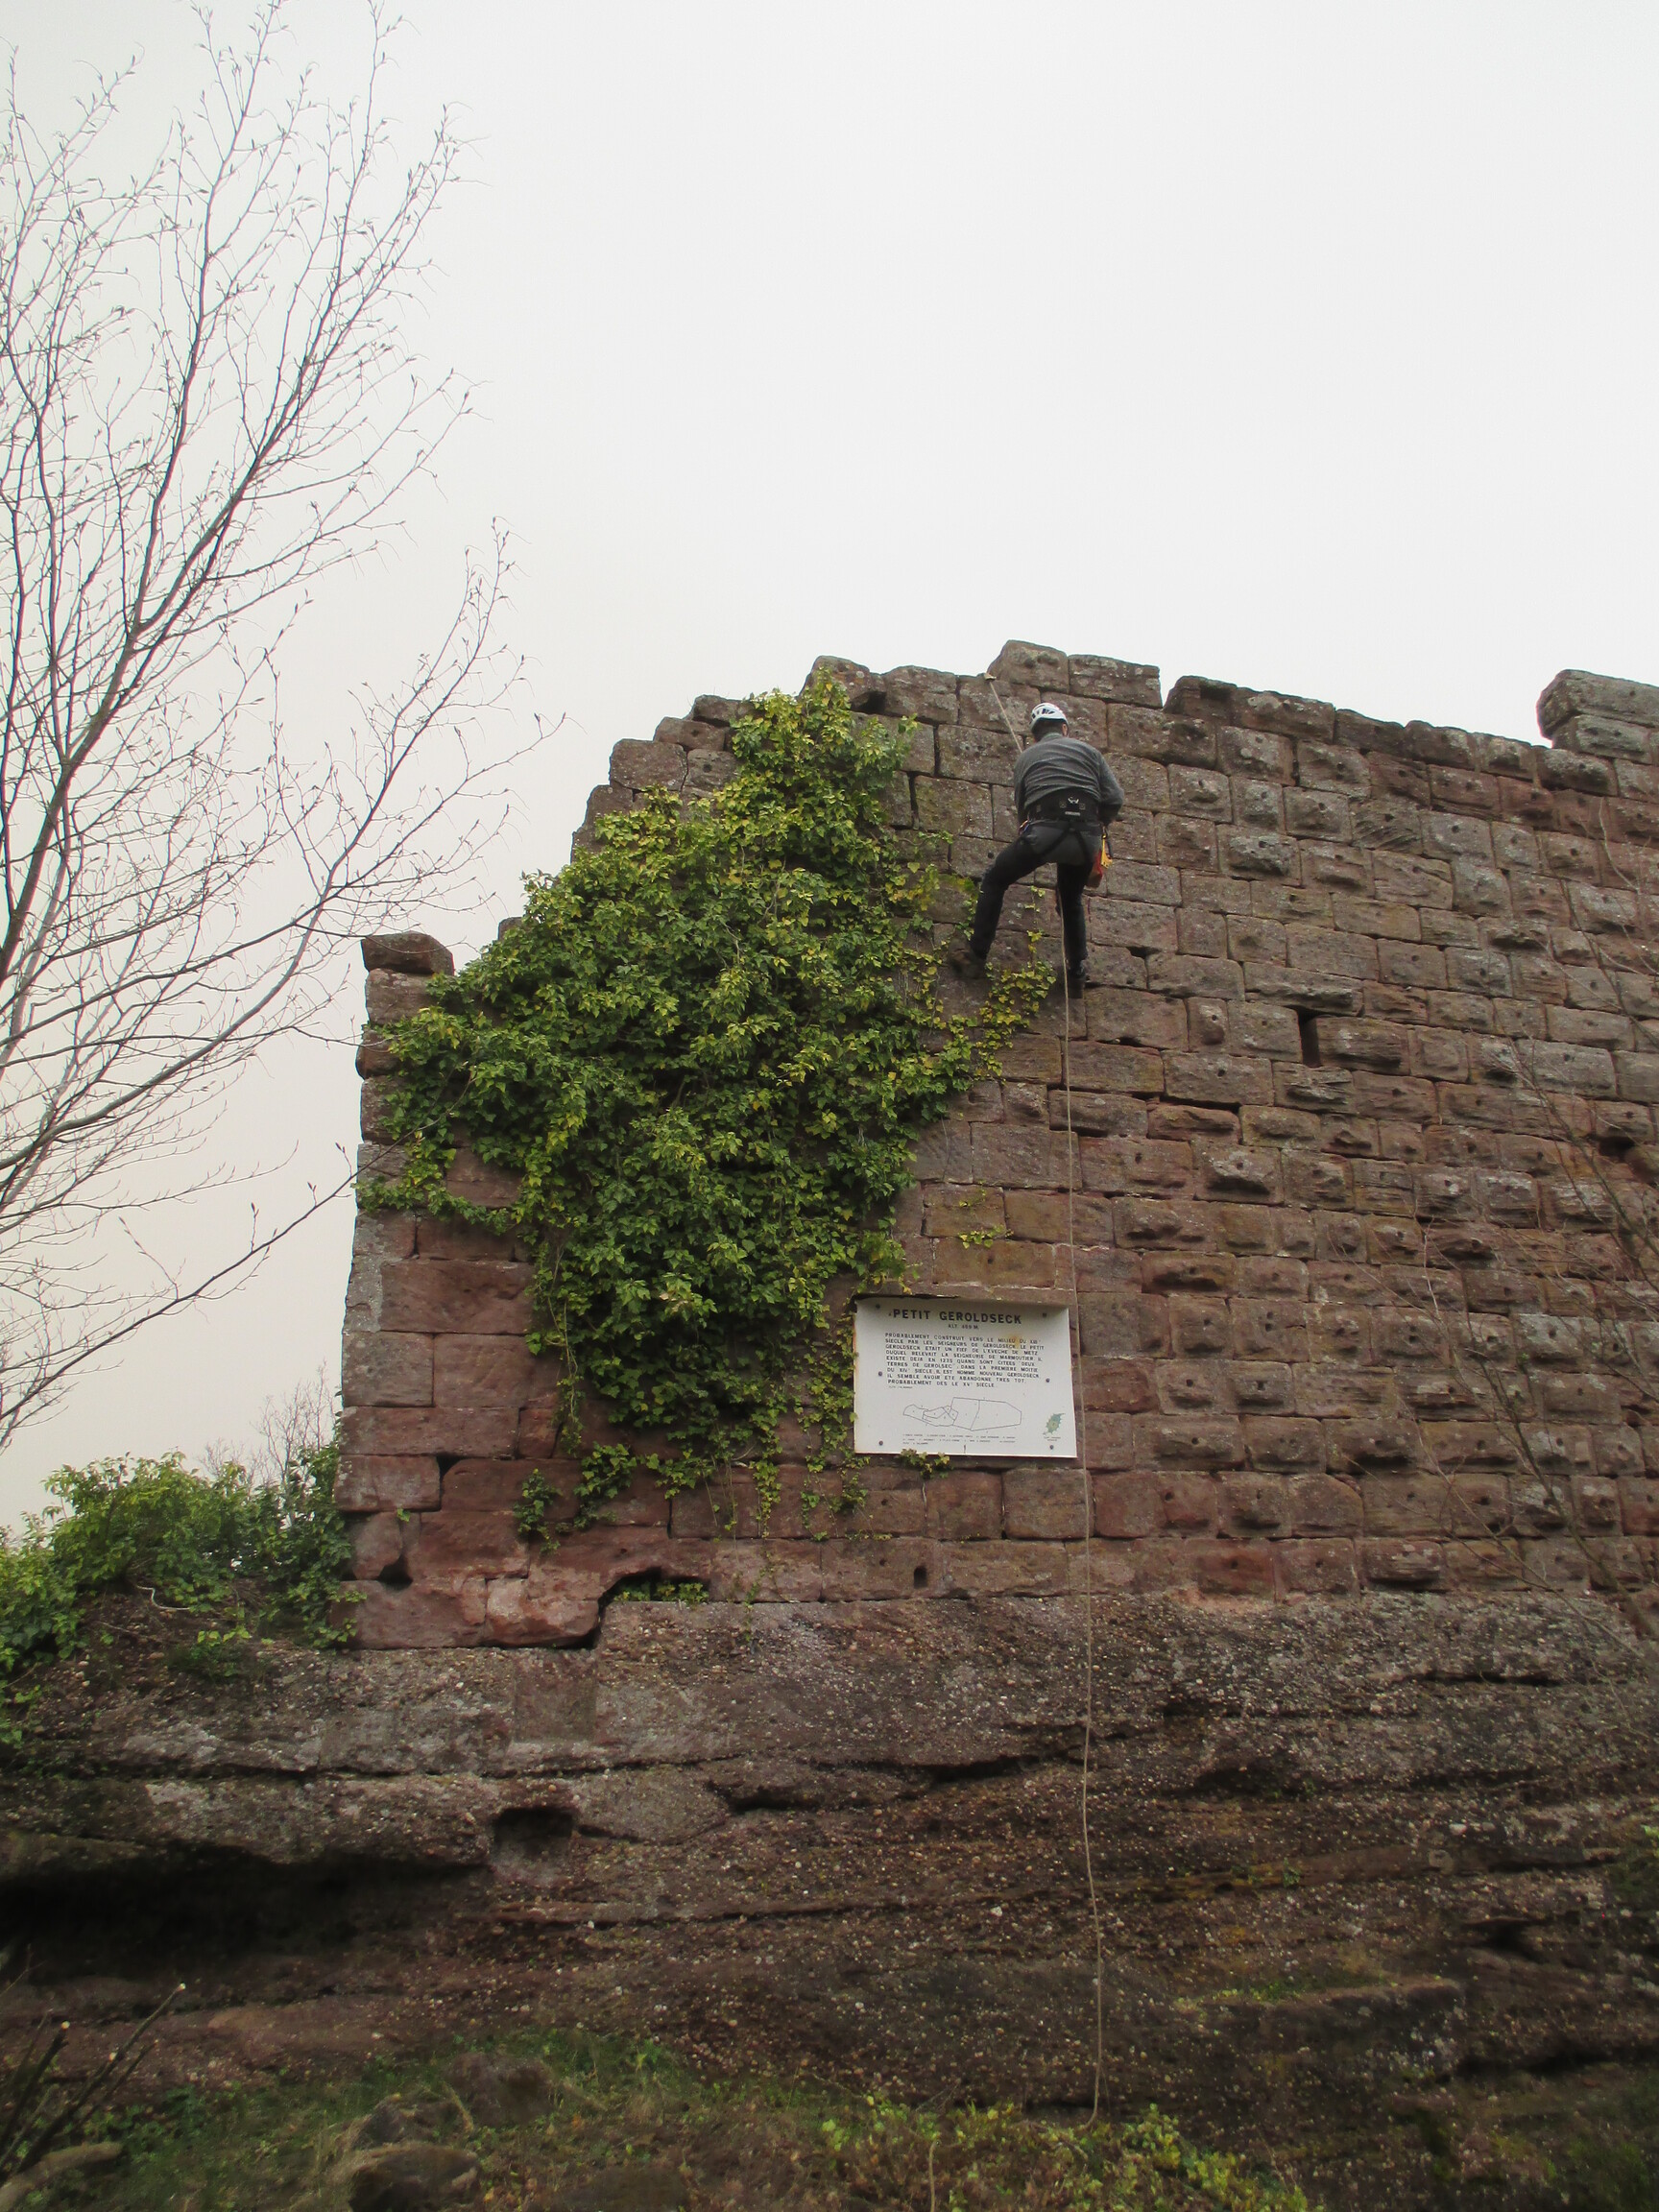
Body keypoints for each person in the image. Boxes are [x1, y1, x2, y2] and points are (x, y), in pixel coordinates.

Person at [952, 701, 1123, 988]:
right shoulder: (1090, 753)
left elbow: (1023, 809)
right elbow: (1115, 797)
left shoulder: (1026, 758)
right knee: (1070, 898)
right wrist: (1098, 822)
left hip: (1044, 832)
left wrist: (1033, 832)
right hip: (1086, 838)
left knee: (995, 880)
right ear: (1064, 728)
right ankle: (1077, 972)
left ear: (1035, 735)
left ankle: (976, 957)